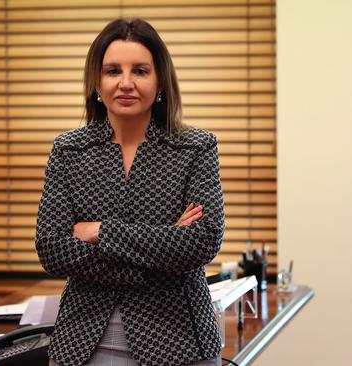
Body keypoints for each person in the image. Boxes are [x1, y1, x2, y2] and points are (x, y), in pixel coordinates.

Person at [35, 18, 225, 366]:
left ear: (160, 81)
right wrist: (164, 245)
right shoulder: (69, 150)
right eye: (112, 71)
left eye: (139, 70)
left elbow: (201, 242)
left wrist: (100, 231)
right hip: (83, 342)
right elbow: (52, 249)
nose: (125, 83)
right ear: (97, 81)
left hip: (179, 340)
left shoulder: (195, 148)